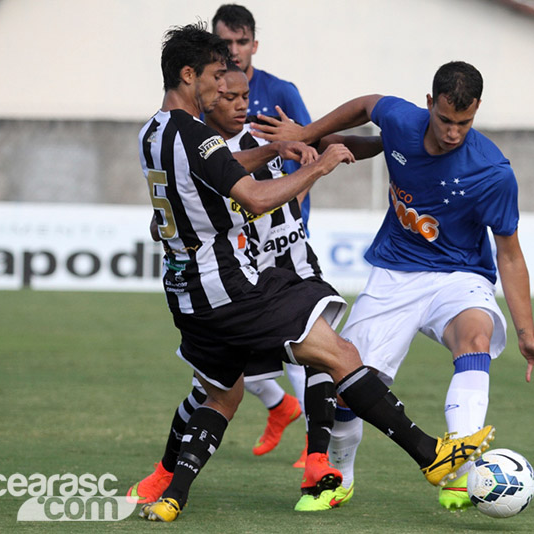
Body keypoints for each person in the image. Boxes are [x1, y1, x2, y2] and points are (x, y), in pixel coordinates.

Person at [136, 24, 495, 522]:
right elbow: (253, 197)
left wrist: (272, 149)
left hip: (187, 293)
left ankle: (172, 496)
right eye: (217, 77)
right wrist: (320, 165)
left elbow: (219, 169)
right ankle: (430, 455)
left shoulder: (153, 132)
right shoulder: (196, 134)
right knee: (338, 353)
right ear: (187, 75)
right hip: (231, 284)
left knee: (221, 395)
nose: (223, 86)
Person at [253, 60, 534, 511]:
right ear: (429, 103)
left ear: (476, 110)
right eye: (445, 120)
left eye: (464, 123)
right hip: (394, 273)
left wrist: (527, 334)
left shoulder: (493, 173)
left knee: (475, 337)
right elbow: (365, 105)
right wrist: (308, 133)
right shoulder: (400, 120)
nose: (453, 132)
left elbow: (510, 255)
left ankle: (459, 473)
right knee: (347, 382)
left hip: (460, 275)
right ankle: (340, 477)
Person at [128, 61, 383, 512]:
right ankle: (167, 474)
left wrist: (392, 141)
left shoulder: (265, 133)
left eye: (244, 96)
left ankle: (317, 461)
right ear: (207, 97)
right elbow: (177, 214)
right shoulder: (199, 148)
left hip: (291, 265)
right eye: (228, 96)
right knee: (210, 390)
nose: (239, 104)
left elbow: (331, 144)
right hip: (242, 280)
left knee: (322, 356)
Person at [212, 4, 314, 465]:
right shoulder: (205, 96)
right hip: (232, 241)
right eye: (225, 42)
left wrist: (292, 206)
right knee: (223, 346)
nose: (234, 50)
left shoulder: (279, 92)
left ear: (254, 44)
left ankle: (316, 442)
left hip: (281, 238)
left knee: (299, 339)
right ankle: (280, 406)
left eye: (241, 42)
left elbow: (310, 146)